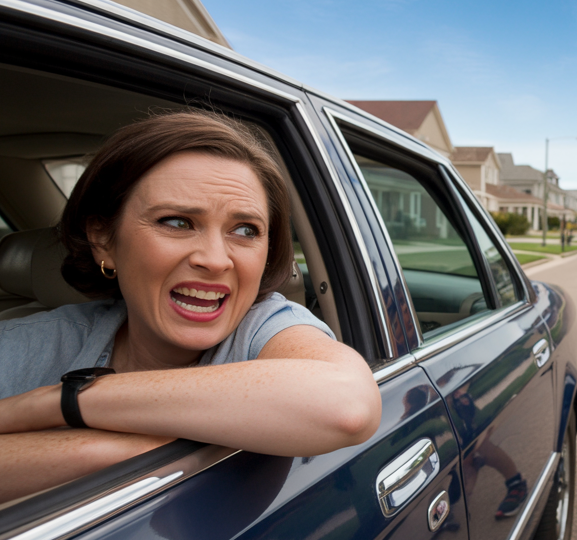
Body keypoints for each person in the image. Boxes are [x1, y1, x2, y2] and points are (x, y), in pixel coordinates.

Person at [0, 111, 382, 503]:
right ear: (103, 240)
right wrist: (115, 450)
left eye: (245, 230)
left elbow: (346, 404)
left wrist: (59, 402)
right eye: (177, 222)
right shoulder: (27, 342)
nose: (215, 260)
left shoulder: (266, 328)